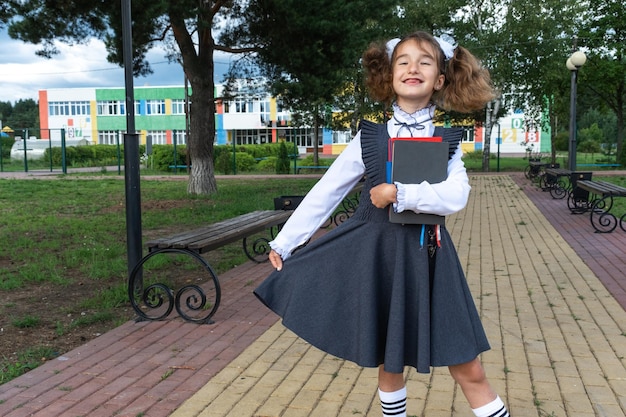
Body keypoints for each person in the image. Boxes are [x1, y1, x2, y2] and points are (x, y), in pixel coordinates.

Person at [254, 31, 510, 417]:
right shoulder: (370, 136)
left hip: (430, 258)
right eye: (403, 61)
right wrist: (286, 242)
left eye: (425, 62)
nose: (413, 68)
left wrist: (399, 194)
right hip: (377, 258)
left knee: (467, 364)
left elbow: (457, 196)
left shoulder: (446, 140)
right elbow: (328, 191)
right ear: (389, 76)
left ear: (440, 79)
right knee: (389, 364)